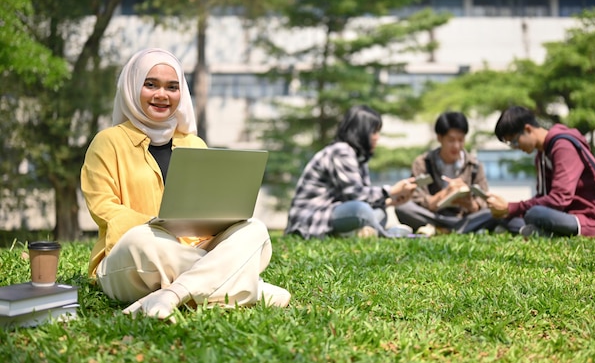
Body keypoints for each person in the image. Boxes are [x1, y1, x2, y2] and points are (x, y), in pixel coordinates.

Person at [81, 48, 290, 321]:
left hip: (193, 249)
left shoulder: (193, 144)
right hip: (133, 257)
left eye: (172, 87)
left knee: (255, 230)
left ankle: (172, 294)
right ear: (132, 88)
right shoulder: (108, 142)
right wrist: (158, 225)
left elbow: (210, 205)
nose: (162, 95)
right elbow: (104, 208)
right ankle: (245, 286)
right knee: (143, 240)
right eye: (150, 84)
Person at [284, 105, 418, 239]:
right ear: (360, 131)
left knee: (380, 212)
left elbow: (361, 197)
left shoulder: (359, 157)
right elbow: (356, 196)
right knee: (362, 210)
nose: (378, 137)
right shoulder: (341, 151)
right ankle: (381, 234)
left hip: (333, 212)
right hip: (310, 217)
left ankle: (354, 233)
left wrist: (390, 202)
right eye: (374, 132)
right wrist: (391, 191)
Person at [486, 105, 595, 237]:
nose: (516, 148)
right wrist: (508, 211)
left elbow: (559, 199)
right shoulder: (541, 155)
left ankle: (535, 231)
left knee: (535, 214)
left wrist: (512, 207)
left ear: (528, 129)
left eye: (515, 142)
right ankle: (536, 231)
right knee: (508, 217)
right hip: (562, 215)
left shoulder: (563, 146)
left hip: (588, 219)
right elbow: (543, 197)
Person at [394, 111, 500, 234]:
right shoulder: (423, 162)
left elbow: (484, 200)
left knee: (492, 213)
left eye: (461, 140)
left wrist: (471, 204)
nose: (456, 145)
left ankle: (440, 229)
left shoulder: (474, 165)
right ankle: (458, 229)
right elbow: (416, 199)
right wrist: (446, 193)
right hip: (433, 215)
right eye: (451, 140)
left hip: (464, 217)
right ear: (440, 138)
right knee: (402, 208)